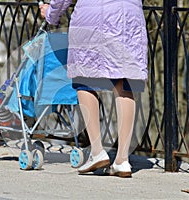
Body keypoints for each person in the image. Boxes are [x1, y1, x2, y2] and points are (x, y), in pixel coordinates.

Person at [40, 0, 148, 178]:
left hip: (93, 19)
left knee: (84, 80)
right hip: (129, 19)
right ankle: (122, 160)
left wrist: (51, 13)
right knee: (124, 83)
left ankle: (97, 151)